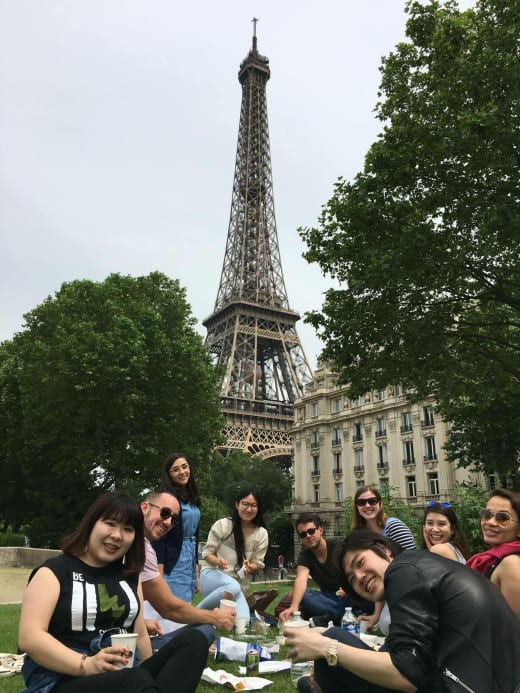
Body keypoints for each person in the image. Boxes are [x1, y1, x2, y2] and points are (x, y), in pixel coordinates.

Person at [18, 491, 208, 693]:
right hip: (63, 679)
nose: (117, 535)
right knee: (133, 678)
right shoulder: (55, 571)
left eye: (127, 529)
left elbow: (140, 636)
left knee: (194, 641)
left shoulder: (130, 577)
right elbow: (30, 637)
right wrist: (87, 664)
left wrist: (151, 672)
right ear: (91, 524)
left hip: (123, 675)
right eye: (110, 523)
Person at [286, 529, 520, 693]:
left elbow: (407, 673)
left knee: (334, 641)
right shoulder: (420, 566)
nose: (359, 577)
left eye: (359, 563)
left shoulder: (403, 569)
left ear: (384, 549)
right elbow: (402, 652)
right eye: (351, 578)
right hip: (487, 682)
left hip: (468, 685)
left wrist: (326, 647)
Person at [139, 490, 234, 645]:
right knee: (203, 629)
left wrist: (143, 623)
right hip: (115, 642)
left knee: (205, 629)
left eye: (174, 519)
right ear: (144, 507)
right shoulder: (129, 543)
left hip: (134, 633)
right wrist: (214, 617)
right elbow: (169, 608)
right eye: (164, 513)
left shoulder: (146, 548)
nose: (168, 522)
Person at [198, 487, 268, 623]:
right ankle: (196, 614)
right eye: (245, 504)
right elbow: (207, 554)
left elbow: (257, 564)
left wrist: (249, 567)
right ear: (237, 505)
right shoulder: (223, 525)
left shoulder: (261, 533)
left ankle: (214, 614)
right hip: (212, 576)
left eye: (253, 505)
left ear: (258, 508)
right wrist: (218, 561)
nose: (249, 509)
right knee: (233, 586)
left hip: (237, 585)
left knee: (243, 622)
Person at [352, 486, 416, 633]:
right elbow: (377, 577)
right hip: (390, 588)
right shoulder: (364, 535)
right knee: (383, 622)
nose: (367, 506)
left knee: (389, 624)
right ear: (357, 507)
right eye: (362, 502)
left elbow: (414, 561)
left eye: (372, 501)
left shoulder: (393, 526)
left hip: (409, 584)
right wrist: (376, 614)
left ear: (380, 504)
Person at [278, 513, 354, 626]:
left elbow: (354, 571)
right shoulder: (305, 555)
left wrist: (348, 588)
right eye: (303, 534)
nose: (308, 536)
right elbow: (301, 579)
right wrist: (294, 607)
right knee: (304, 595)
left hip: (347, 595)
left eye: (311, 531)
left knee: (356, 597)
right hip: (327, 599)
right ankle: (342, 616)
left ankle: (330, 618)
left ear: (320, 530)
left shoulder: (338, 547)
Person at [153, 453, 201, 602]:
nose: (182, 472)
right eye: (175, 469)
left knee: (186, 598)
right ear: (169, 475)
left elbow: (196, 533)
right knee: (174, 600)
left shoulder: (191, 496)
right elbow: (159, 537)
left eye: (185, 467)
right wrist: (159, 572)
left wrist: (196, 569)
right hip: (175, 555)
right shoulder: (167, 498)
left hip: (190, 555)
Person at [466, 487, 520, 618]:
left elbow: (513, 629)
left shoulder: (511, 564)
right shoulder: (489, 559)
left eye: (502, 518)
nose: (490, 522)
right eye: (487, 515)